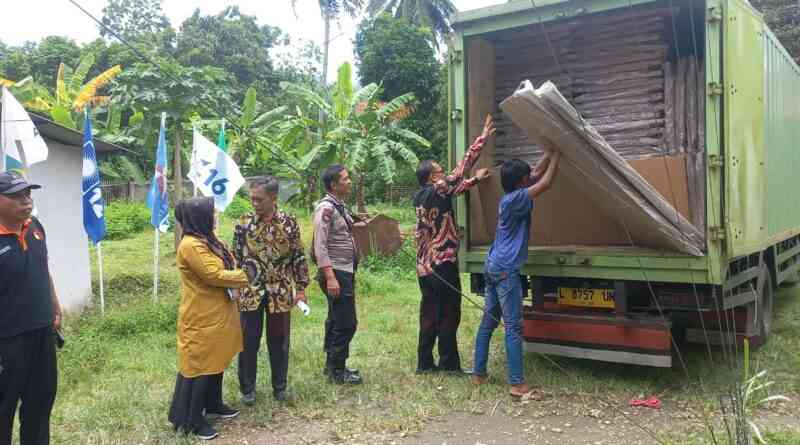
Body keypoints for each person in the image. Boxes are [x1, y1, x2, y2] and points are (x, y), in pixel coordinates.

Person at [471, 146, 561, 398]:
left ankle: (478, 374)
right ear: (521, 181)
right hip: (505, 269)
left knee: (488, 323)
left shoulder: (510, 195)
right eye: (526, 177)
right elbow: (545, 182)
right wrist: (558, 156)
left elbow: (536, 173)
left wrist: (550, 151)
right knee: (513, 327)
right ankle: (517, 384)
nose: (529, 177)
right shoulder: (518, 198)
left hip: (493, 264)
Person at [413, 114, 495, 374]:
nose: (444, 174)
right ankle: (449, 365)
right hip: (443, 265)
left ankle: (425, 364)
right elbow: (461, 169)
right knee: (449, 313)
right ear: (431, 178)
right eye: (439, 172)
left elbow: (456, 188)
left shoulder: (420, 197)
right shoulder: (438, 188)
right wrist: (482, 138)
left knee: (429, 314)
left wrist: (476, 181)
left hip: (424, 268)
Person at [168, 197, 251, 440]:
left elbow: (229, 262)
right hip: (201, 315)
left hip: (220, 311)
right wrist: (246, 275)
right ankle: (192, 419)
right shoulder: (190, 245)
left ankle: (213, 403)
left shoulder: (210, 240)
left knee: (218, 358)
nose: (215, 216)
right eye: (211, 213)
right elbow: (213, 274)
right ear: (199, 217)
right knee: (199, 365)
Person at [233, 176, 310, 405]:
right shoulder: (243, 222)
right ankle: (248, 390)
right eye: (252, 199)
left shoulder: (289, 222)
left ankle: (280, 388)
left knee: (279, 341)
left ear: (274, 198)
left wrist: (301, 288)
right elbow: (235, 257)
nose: (255, 203)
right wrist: (234, 288)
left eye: (260, 199)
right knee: (247, 342)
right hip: (250, 291)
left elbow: (298, 256)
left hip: (281, 291)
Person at [0, 172, 62, 445]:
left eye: (27, 194)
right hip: (7, 340)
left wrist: (54, 303)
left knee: (40, 400)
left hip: (41, 332)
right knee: (3, 406)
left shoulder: (35, 227)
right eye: (16, 196)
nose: (26, 201)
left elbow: (42, 267)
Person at [312, 164, 362, 385]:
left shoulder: (338, 205)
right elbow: (320, 246)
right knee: (346, 323)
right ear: (333, 185)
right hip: (336, 271)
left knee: (335, 319)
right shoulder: (326, 208)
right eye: (345, 178)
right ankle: (337, 371)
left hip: (344, 270)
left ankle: (332, 366)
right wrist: (331, 277)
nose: (349, 181)